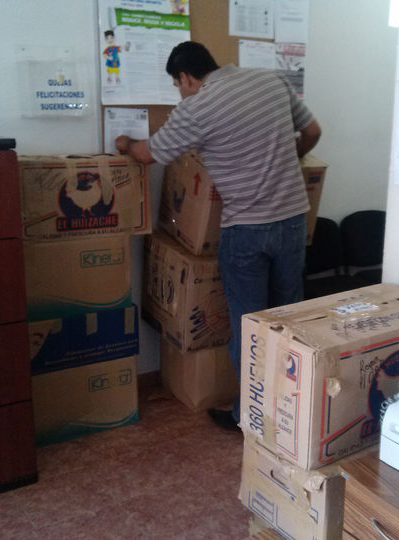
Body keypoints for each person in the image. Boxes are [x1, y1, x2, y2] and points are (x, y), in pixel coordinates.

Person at [116, 41, 321, 431]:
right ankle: (292, 413)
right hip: (293, 220)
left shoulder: (197, 107)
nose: (180, 93)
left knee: (250, 326)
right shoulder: (272, 81)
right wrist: (289, 158)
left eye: (177, 86)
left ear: (186, 78)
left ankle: (251, 415)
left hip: (246, 230)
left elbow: (147, 154)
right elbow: (312, 131)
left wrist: (124, 143)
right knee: (288, 319)